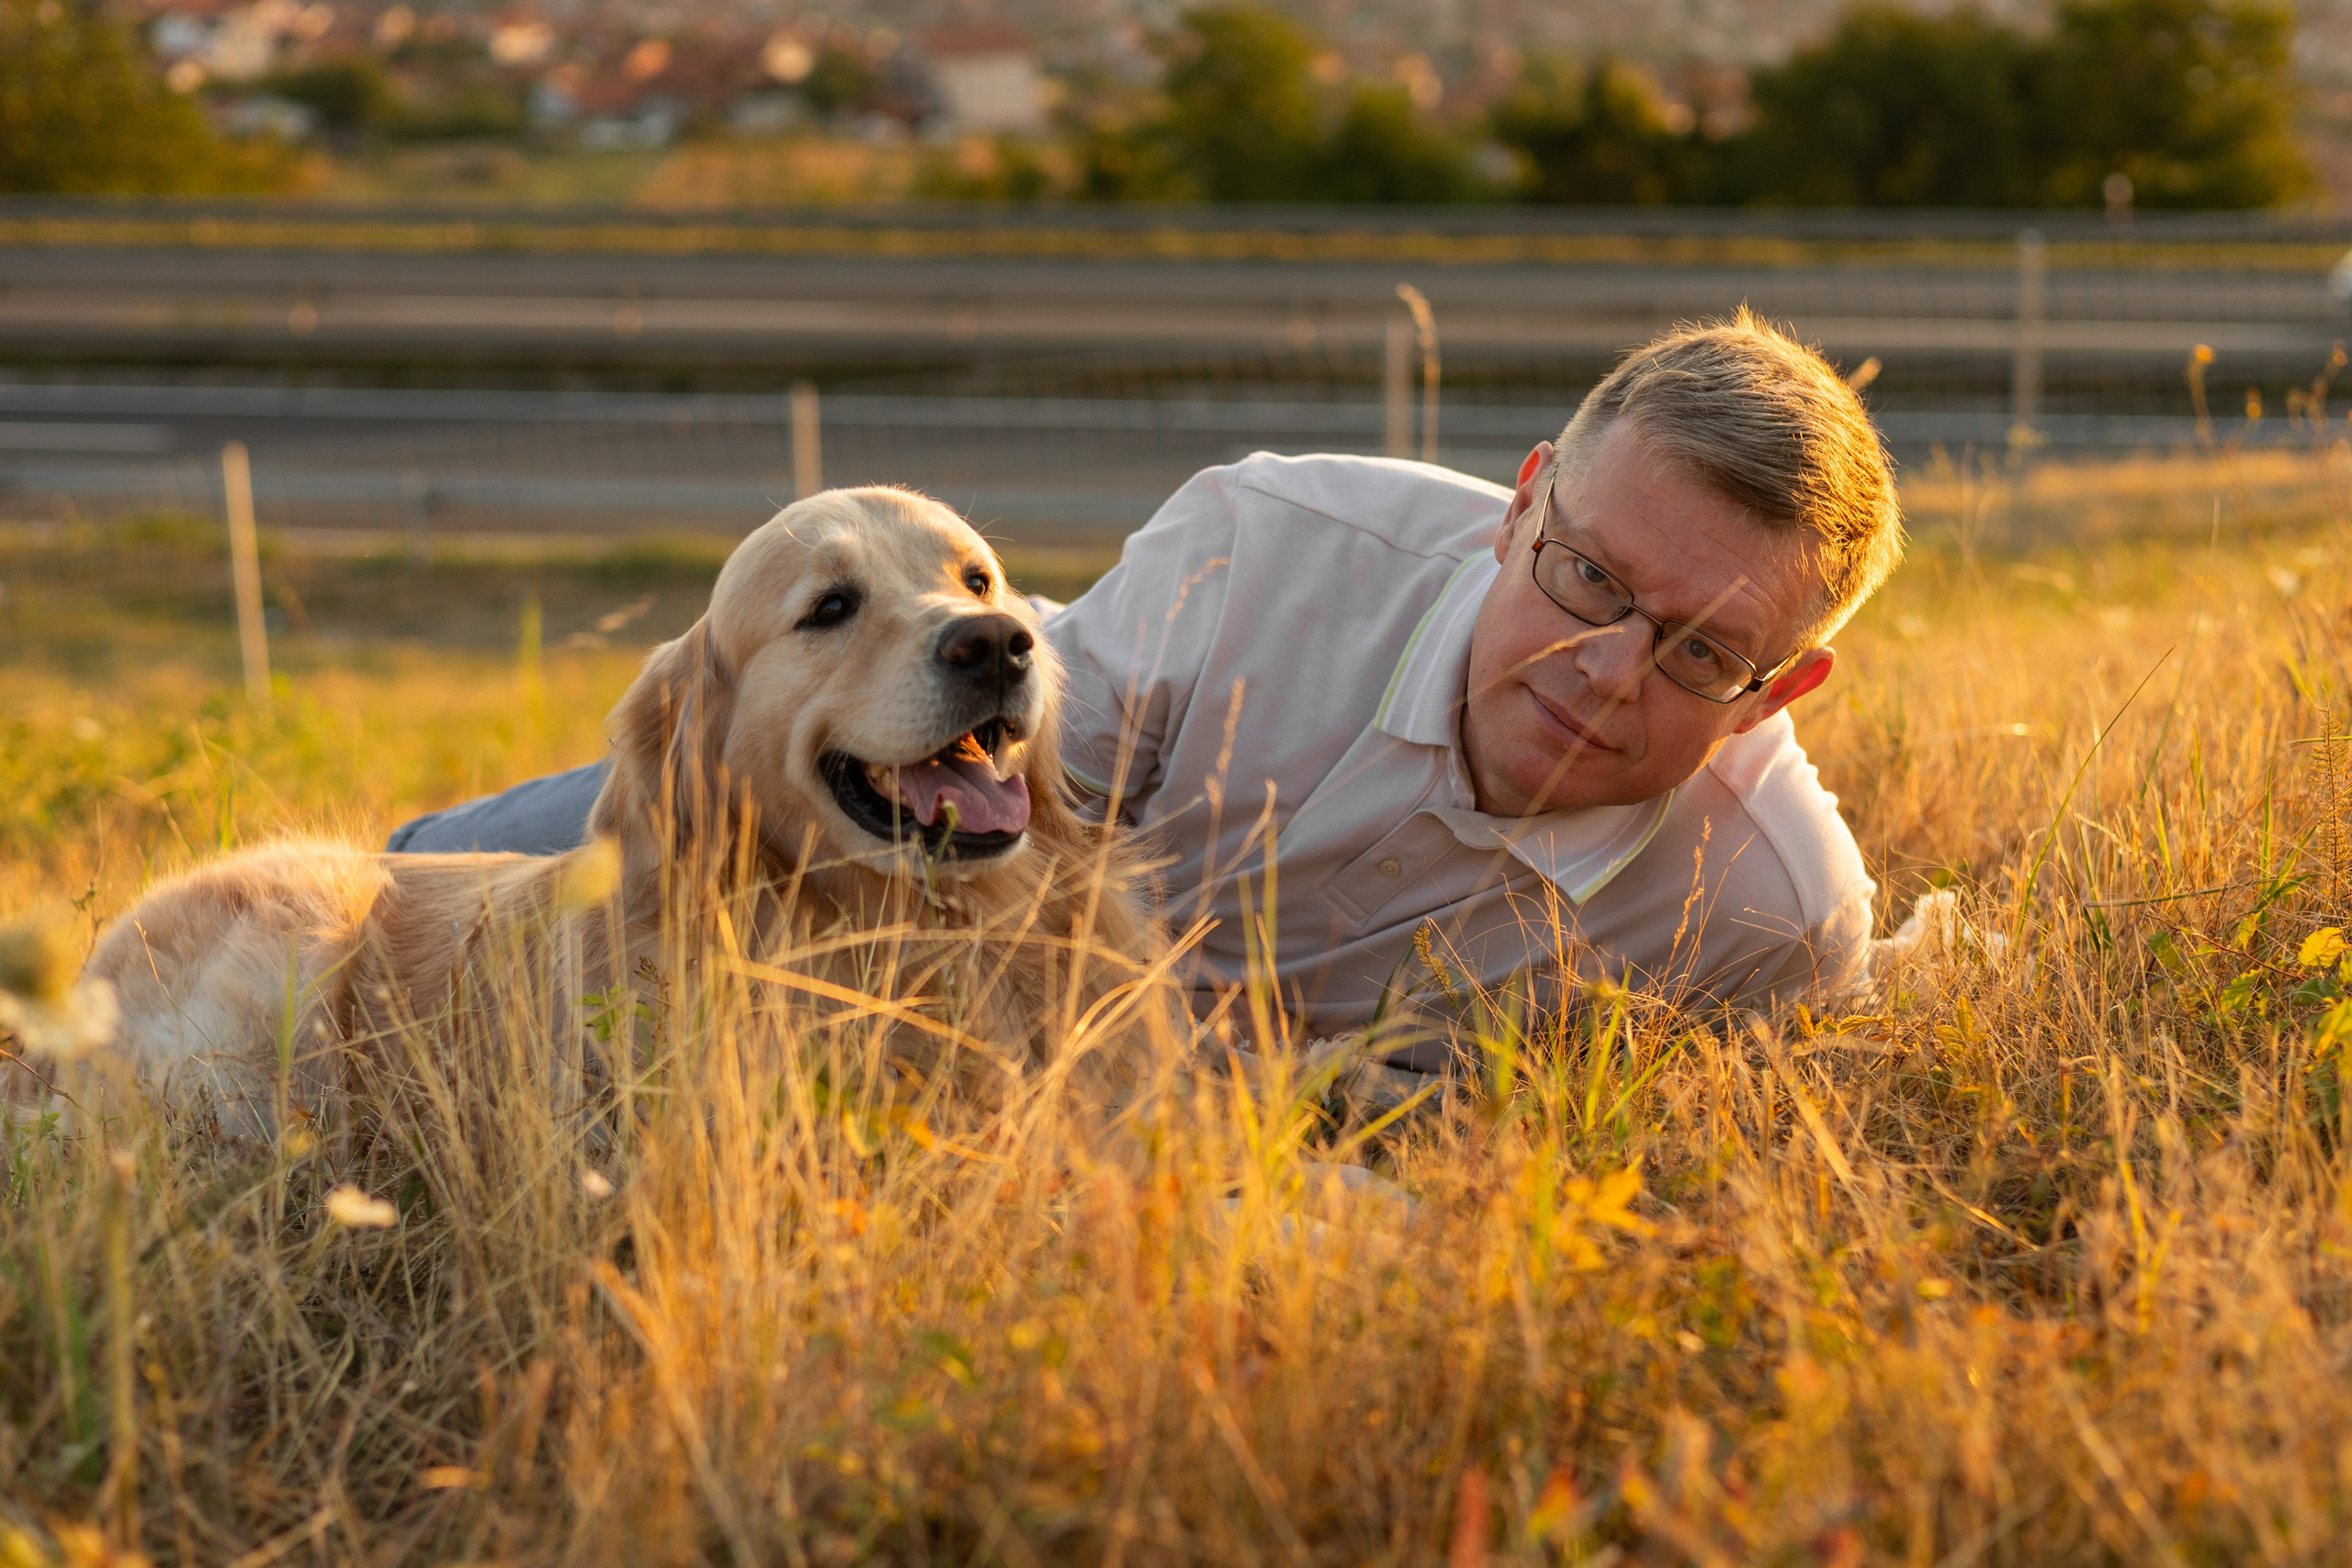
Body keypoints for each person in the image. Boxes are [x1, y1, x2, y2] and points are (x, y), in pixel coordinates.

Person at [390, 311, 1902, 1067]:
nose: (1604, 670)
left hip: (1182, 1067)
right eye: (1583, 575)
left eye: (1700, 651)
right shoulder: (1268, 545)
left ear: (1783, 690)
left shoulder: (1770, 918)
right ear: (1519, 506)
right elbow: (974, 873)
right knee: (541, 888)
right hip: (924, 778)